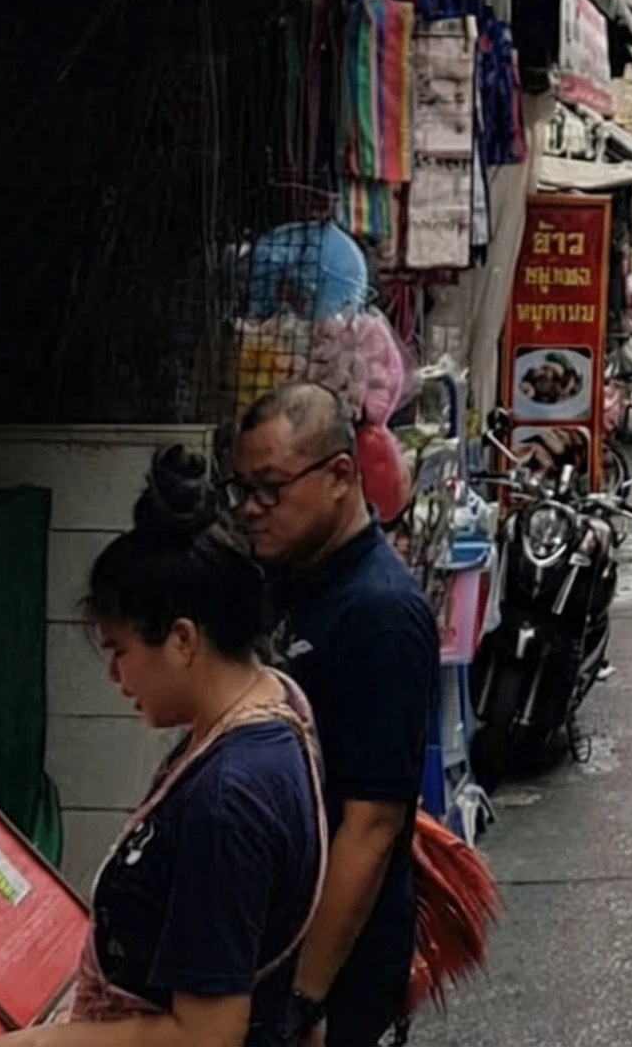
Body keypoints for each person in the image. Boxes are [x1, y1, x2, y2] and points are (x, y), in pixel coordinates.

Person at [6, 446, 322, 1047]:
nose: (115, 677)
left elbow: (207, 1035)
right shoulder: (277, 703)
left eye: (120, 650)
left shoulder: (229, 797)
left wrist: (38, 1043)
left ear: (181, 640)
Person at [230, 383, 438, 1047]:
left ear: (341, 476)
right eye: (242, 490)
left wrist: (304, 999)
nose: (252, 510)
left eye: (271, 489)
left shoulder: (380, 617)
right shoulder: (290, 576)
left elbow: (372, 826)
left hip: (333, 971)